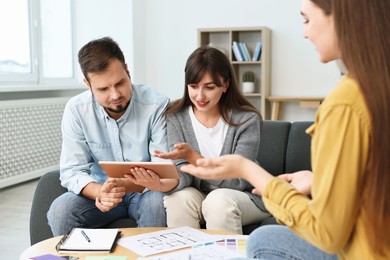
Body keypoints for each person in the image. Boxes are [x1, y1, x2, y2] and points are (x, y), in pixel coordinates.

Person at [180, 0, 390, 259]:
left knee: (262, 240)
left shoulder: (346, 103)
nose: (305, 32)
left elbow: (327, 233)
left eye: (306, 20)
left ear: (340, 18)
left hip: (366, 250)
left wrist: (248, 170)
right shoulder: (377, 86)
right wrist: (318, 182)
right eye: (194, 86)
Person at [47, 37, 171, 236]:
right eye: (103, 89)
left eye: (120, 83)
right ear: (88, 84)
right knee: (61, 210)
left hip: (145, 192)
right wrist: (99, 192)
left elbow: (163, 168)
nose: (115, 95)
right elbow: (71, 170)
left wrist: (125, 184)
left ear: (128, 71)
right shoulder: (77, 110)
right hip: (102, 191)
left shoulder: (157, 105)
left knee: (157, 203)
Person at [151, 46, 271, 234]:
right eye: (193, 86)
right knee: (178, 199)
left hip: (242, 195)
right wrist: (164, 184)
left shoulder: (247, 119)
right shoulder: (175, 117)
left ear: (225, 85)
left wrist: (195, 158)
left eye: (209, 87)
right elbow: (183, 171)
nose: (200, 96)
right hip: (198, 194)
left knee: (217, 201)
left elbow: (237, 180)